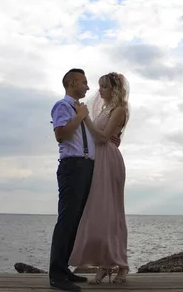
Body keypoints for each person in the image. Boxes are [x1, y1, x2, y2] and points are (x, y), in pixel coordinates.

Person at [48, 68, 121, 292]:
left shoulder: (79, 109)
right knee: (67, 220)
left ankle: (64, 269)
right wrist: (80, 117)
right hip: (73, 166)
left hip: (87, 166)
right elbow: (60, 134)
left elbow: (89, 137)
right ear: (71, 83)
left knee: (76, 221)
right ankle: (56, 275)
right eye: (84, 82)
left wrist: (109, 139)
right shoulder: (63, 106)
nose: (88, 87)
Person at [68, 72, 130, 284]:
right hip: (98, 159)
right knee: (98, 212)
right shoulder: (104, 109)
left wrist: (84, 117)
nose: (99, 90)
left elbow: (103, 137)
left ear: (114, 89)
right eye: (99, 86)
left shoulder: (119, 110)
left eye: (103, 87)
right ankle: (105, 263)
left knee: (112, 211)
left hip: (109, 159)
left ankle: (122, 265)